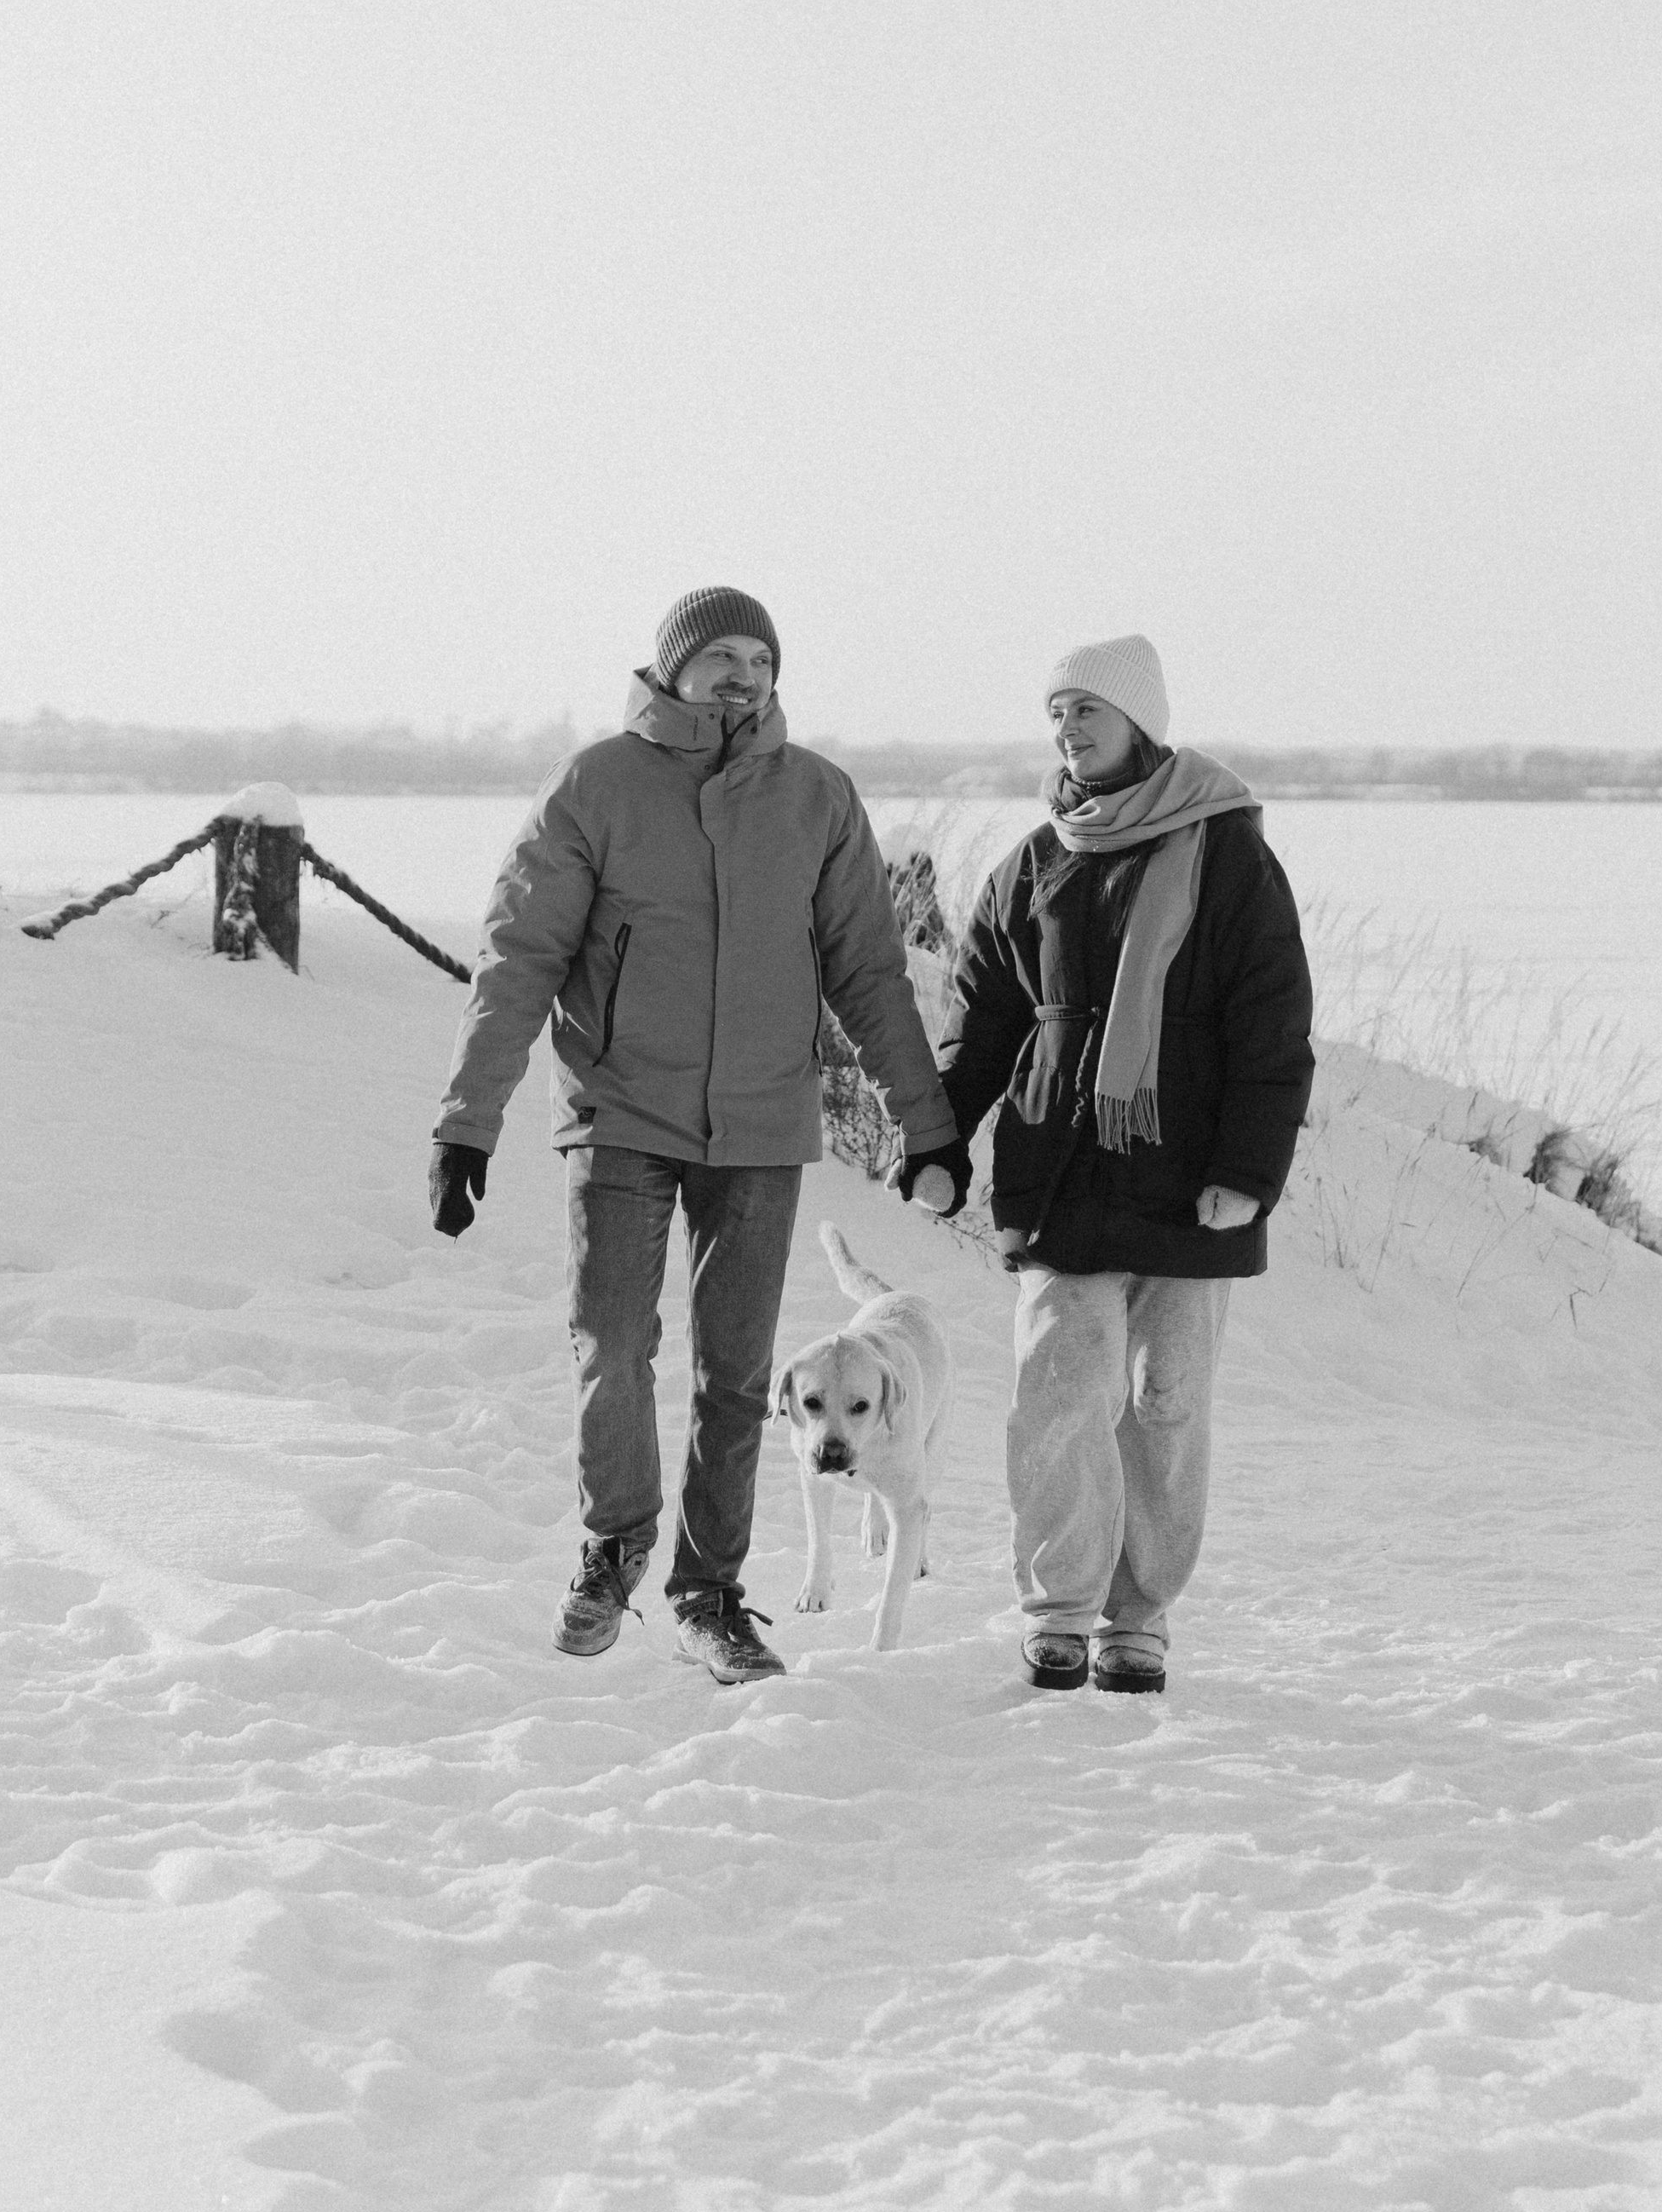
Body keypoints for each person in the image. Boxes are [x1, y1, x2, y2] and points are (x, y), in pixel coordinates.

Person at [428, 586, 970, 1685]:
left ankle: (710, 1594)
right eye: (717, 654)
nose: (741, 674)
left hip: (763, 1124)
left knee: (737, 1374)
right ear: (669, 667)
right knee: (614, 1340)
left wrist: (925, 1125)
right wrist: (467, 1120)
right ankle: (612, 1546)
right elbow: (518, 956)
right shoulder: (597, 784)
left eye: (758, 658)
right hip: (622, 1111)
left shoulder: (816, 795)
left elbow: (869, 970)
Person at [936, 636, 1313, 1696]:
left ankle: (1138, 1616)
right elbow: (981, 1018)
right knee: (1058, 1390)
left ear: (1139, 720)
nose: (1067, 728)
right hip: (1061, 1170)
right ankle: (1059, 1608)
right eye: (1055, 711)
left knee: (1166, 1403)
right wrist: (937, 1139)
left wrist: (1248, 1168)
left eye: (1086, 709)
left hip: (1192, 1181)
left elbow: (1272, 1023)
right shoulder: (1035, 859)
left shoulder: (1229, 854)